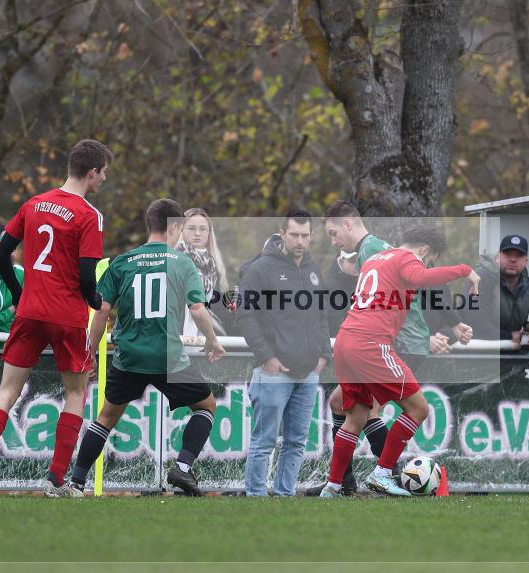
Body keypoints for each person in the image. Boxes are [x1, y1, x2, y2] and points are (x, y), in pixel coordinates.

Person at [0, 139, 113, 497]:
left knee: (7, 390)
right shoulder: (89, 215)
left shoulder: (34, 203)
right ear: (91, 172)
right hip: (67, 315)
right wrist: (95, 299)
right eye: (103, 174)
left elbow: (5, 251)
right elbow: (88, 275)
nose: (103, 180)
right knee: (75, 392)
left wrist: (18, 293)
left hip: (30, 312)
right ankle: (55, 480)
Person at [69, 199, 226, 497]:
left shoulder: (123, 262)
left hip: (129, 356)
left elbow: (100, 311)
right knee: (206, 406)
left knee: (106, 417)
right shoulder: (182, 263)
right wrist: (212, 340)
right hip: (168, 357)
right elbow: (197, 309)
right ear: (175, 227)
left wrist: (91, 354)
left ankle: (76, 482)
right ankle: (182, 467)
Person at [314, 201, 472, 495]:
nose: (333, 241)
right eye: (429, 259)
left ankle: (335, 485)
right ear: (424, 251)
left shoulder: (374, 254)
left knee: (355, 412)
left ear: (347, 225)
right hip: (375, 344)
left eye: (333, 233)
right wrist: (465, 270)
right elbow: (420, 281)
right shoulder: (396, 255)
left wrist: (450, 322)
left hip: (348, 340)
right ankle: (383, 473)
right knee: (419, 409)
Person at [238, 209, 332, 497]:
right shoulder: (260, 269)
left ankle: (284, 495)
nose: (300, 241)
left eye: (305, 235)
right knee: (264, 441)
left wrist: (323, 356)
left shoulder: (314, 270)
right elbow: (244, 316)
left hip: (308, 374)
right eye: (294, 235)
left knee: (297, 442)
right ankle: (255, 497)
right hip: (273, 371)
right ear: (282, 234)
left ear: (312, 236)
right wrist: (267, 357)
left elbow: (321, 316)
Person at [463, 234, 529, 349]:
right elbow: (476, 324)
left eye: (519, 255)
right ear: (498, 257)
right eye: (508, 254)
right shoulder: (480, 279)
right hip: (479, 357)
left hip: (516, 359)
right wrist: (511, 336)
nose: (513, 259)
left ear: (526, 261)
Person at [175, 207, 234, 338]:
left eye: (202, 229)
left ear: (209, 233)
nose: (197, 233)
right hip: (178, 332)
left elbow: (215, 305)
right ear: (181, 230)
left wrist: (232, 307)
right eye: (191, 228)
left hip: (209, 332)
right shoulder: (173, 260)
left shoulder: (213, 264)